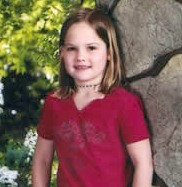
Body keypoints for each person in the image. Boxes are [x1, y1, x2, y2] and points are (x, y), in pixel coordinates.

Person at [32, 7, 153, 187]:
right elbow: (42, 159)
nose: (81, 56)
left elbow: (143, 164)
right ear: (62, 53)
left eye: (91, 48)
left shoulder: (125, 103)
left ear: (109, 53)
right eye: (72, 48)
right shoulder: (54, 103)